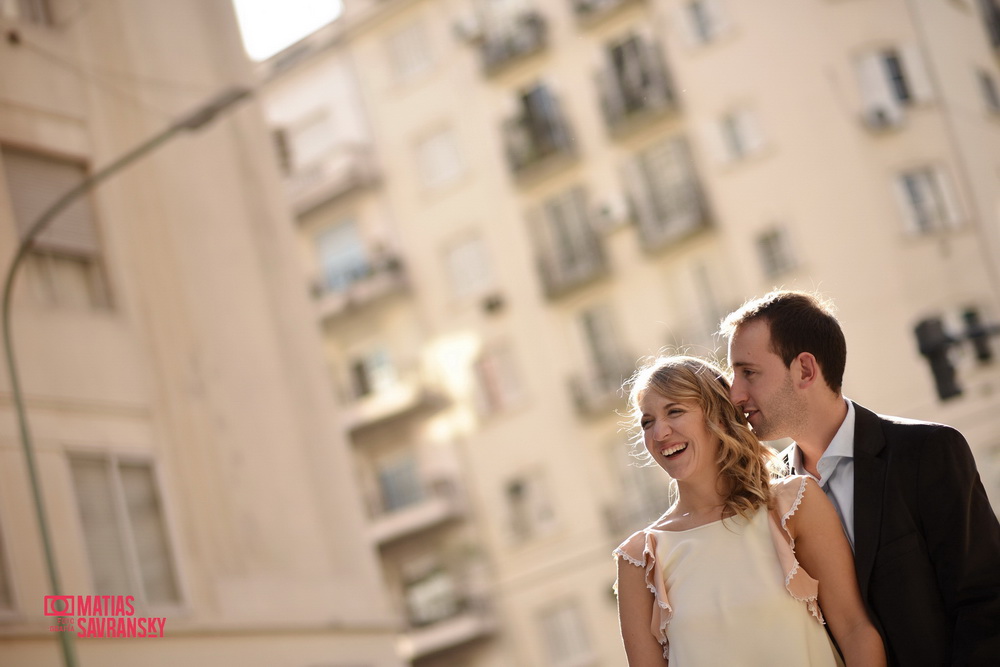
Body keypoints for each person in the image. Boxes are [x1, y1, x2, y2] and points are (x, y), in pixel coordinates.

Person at [722, 290, 1000, 666]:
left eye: (748, 373)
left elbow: (985, 600)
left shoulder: (926, 451)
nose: (735, 394)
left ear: (805, 369)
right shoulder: (765, 496)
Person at [614, 355, 885, 666]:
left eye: (674, 411)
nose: (659, 433)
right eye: (647, 422)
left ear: (718, 416)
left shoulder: (792, 504)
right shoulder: (641, 558)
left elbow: (855, 630)